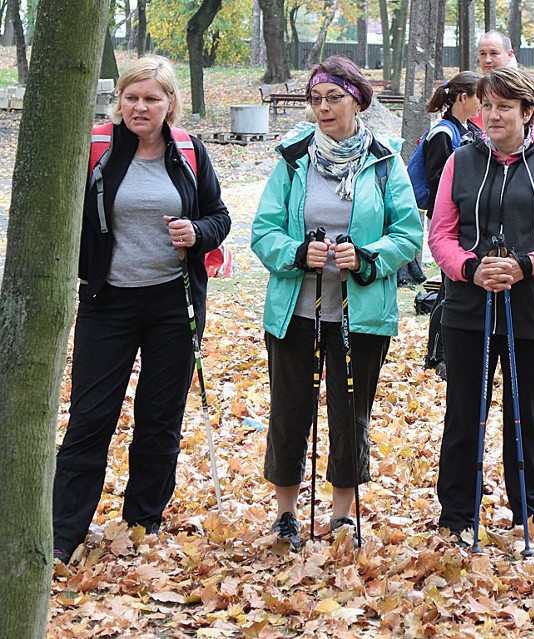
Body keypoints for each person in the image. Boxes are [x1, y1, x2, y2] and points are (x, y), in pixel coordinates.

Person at [53, 55, 232, 563]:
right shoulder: (97, 148)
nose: (140, 106)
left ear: (170, 104)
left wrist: (196, 233)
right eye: (132, 97)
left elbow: (219, 216)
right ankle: (63, 533)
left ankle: (142, 523)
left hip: (173, 303)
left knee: (159, 419)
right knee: (90, 417)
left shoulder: (189, 151)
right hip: (107, 301)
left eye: (151, 98)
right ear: (120, 102)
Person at [251, 55, 422, 551]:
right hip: (295, 310)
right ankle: (286, 514)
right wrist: (297, 253)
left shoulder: (386, 160)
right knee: (289, 410)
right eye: (316, 99)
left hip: (359, 312)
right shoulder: (292, 156)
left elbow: (409, 234)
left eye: (334, 98)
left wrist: (366, 256)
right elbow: (263, 230)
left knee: (350, 413)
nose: (323, 108)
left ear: (357, 100)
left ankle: (342, 516)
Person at [429, 67, 534, 542]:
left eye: (504, 106)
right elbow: (440, 232)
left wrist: (529, 264)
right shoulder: (461, 159)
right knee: (464, 413)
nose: (492, 115)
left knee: (527, 413)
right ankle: (457, 515)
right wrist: (469, 268)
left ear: (526, 111)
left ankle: (530, 512)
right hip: (467, 308)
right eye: (487, 106)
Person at [422, 70, 483, 380]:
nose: (482, 105)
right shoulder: (443, 134)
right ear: (463, 98)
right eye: (478, 98)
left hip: (465, 221)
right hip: (446, 222)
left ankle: (445, 353)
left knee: (452, 288)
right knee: (447, 289)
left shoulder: (467, 129)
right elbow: (439, 182)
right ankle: (436, 354)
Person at [471, 31, 534, 134]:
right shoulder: (473, 89)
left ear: (509, 54)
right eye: (483, 54)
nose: (487, 60)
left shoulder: (527, 86)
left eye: (494, 53)